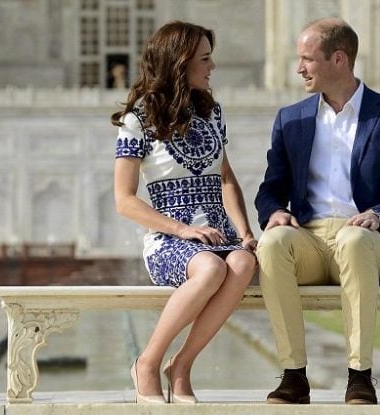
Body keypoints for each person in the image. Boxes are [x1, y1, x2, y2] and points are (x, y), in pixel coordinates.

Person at [254, 17, 380, 405]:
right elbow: (270, 189)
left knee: (353, 240)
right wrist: (273, 214)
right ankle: (294, 375)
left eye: (307, 59)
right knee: (272, 243)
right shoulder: (291, 118)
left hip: (366, 240)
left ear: (338, 59)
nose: (299, 69)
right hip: (310, 240)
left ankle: (359, 376)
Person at [112, 21, 257, 404]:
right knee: (209, 267)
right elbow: (124, 200)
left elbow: (227, 179)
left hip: (217, 235)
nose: (212, 67)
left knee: (243, 264)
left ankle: (181, 366)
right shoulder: (139, 119)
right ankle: (147, 363)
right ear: (180, 63)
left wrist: (244, 231)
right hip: (168, 240)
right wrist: (182, 230)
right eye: (205, 59)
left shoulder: (212, 114)